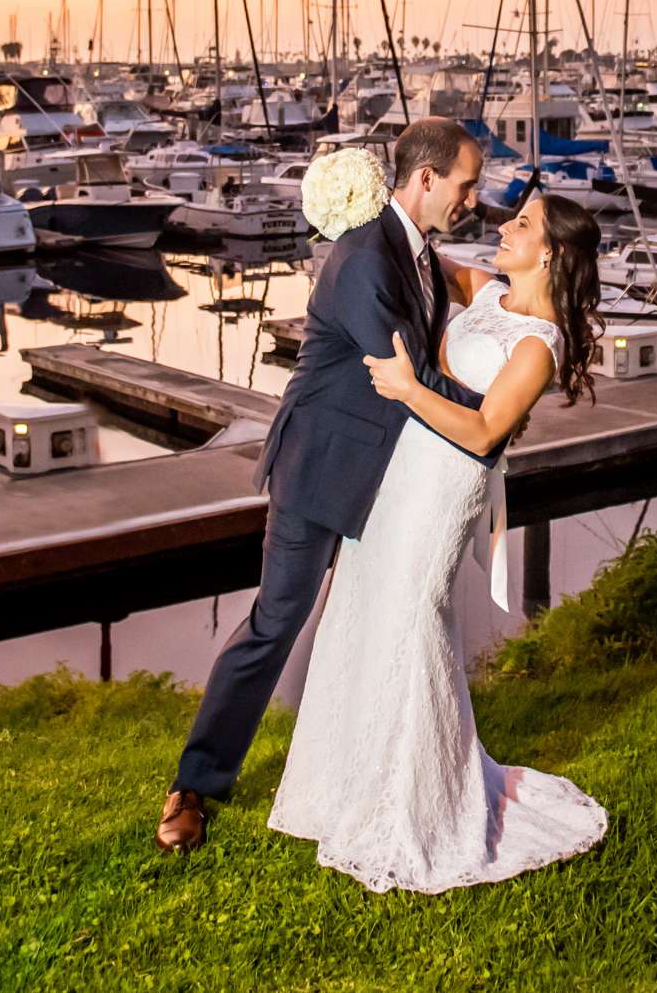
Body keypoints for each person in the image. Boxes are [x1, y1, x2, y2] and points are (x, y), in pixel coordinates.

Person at [158, 117, 489, 855]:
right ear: (427, 179)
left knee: (387, 620)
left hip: (389, 477)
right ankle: (195, 784)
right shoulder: (366, 256)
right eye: (467, 184)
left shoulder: (417, 250)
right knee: (276, 623)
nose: (474, 198)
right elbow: (405, 373)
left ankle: (382, 766)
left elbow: (444, 303)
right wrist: (494, 414)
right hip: (320, 466)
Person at [266, 191, 609, 892]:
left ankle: (417, 806)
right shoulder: (486, 290)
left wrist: (402, 386)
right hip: (396, 473)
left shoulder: (541, 343)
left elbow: (485, 431)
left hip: (444, 486)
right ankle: (339, 787)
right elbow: (420, 258)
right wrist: (365, 215)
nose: (504, 228)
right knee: (360, 612)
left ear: (549, 252)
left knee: (410, 624)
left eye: (522, 223)